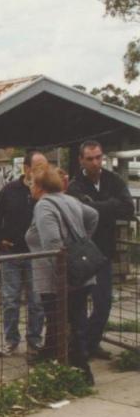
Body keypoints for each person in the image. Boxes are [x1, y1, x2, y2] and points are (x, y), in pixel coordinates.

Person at [27, 166, 99, 384]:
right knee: (76, 320)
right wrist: (83, 240)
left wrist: (63, 275)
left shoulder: (44, 205)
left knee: (60, 321)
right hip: (81, 272)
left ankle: (73, 369)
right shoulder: (70, 200)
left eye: (31, 183)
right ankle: (76, 368)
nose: (30, 187)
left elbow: (52, 243)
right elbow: (93, 215)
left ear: (40, 186)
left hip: (58, 277)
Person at [67, 140, 135, 360]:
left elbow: (128, 208)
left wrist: (96, 205)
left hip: (104, 251)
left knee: (104, 302)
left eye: (99, 157)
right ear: (81, 160)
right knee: (77, 304)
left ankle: (90, 342)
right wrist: (109, 205)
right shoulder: (76, 185)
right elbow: (80, 209)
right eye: (90, 158)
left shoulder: (112, 179)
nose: (96, 162)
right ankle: (80, 346)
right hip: (82, 252)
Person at [0, 150, 45, 357]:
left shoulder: (46, 192)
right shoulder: (9, 190)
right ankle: (11, 340)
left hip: (36, 255)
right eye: (39, 167)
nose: (43, 171)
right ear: (27, 169)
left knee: (36, 301)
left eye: (45, 167)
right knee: (10, 300)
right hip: (12, 252)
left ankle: (34, 340)